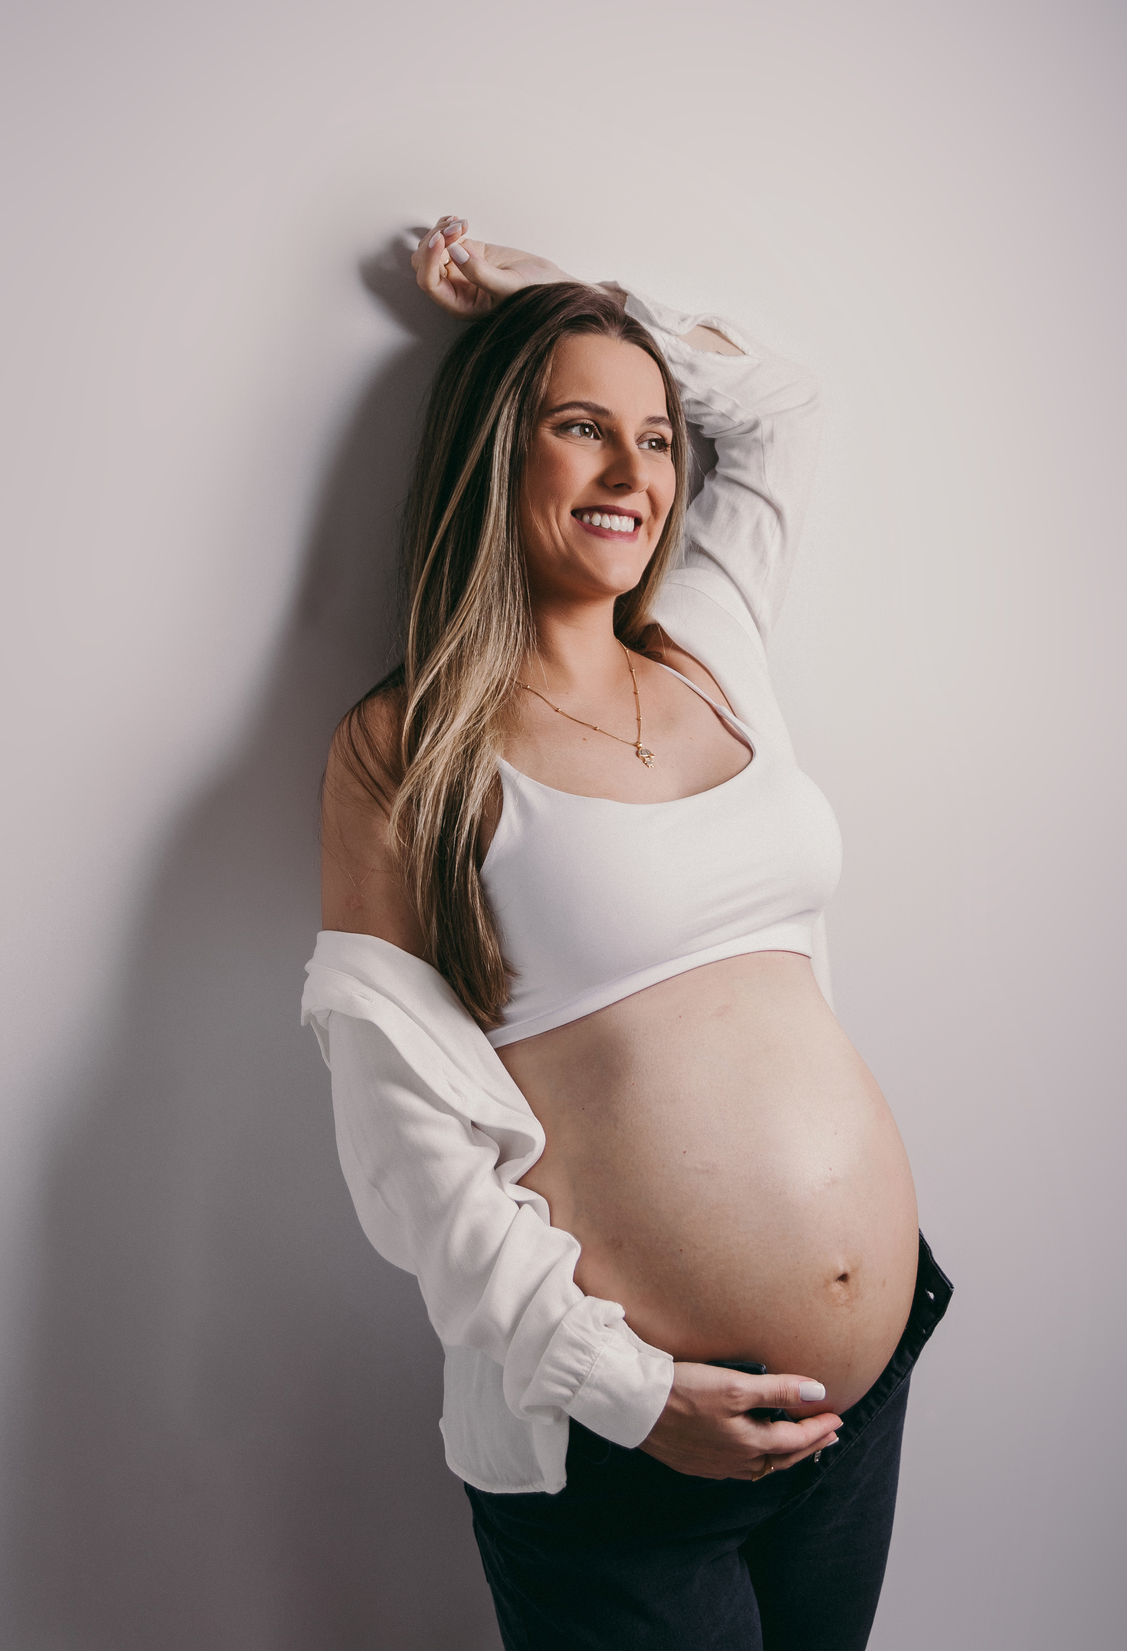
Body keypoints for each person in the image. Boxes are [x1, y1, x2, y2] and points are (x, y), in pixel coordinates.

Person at [303, 214, 953, 1651]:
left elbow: (779, 408)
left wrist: (553, 293)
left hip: (859, 1404)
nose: (634, 475)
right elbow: (404, 1147)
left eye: (655, 439)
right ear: (495, 450)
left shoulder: (712, 642)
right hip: (626, 1453)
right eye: (580, 428)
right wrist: (630, 1392)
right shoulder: (408, 747)